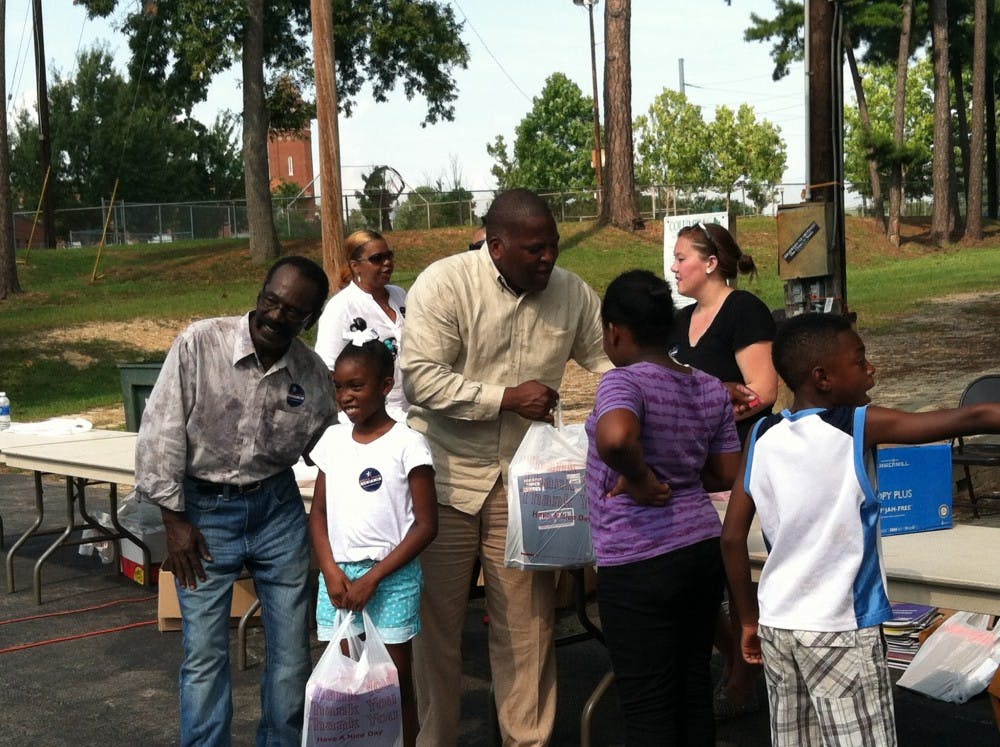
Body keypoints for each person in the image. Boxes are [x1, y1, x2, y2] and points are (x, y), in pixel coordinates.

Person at [720, 312, 1000, 747]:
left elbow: (732, 537)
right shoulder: (856, 425)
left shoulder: (761, 433)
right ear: (823, 377)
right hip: (842, 629)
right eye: (860, 358)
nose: (871, 368)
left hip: (778, 626)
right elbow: (972, 417)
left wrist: (748, 620)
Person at [399, 188, 611, 746]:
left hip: (525, 488)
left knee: (527, 629)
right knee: (438, 631)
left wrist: (679, 384)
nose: (549, 259)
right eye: (535, 249)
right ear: (496, 245)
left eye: (554, 247)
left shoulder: (572, 294)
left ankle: (528, 742)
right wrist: (505, 398)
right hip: (443, 482)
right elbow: (419, 379)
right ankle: (436, 739)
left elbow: (611, 361)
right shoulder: (446, 284)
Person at [135, 256, 336, 746]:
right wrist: (173, 519)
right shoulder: (199, 343)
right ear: (260, 293)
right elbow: (159, 434)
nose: (275, 316)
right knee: (205, 654)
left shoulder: (310, 374)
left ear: (309, 319)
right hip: (202, 513)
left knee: (291, 655)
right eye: (271, 300)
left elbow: (334, 451)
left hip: (277, 509)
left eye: (293, 311)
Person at [587, 270, 741, 745]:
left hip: (639, 557)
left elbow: (615, 437)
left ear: (615, 331)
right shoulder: (709, 386)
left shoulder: (623, 382)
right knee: (692, 686)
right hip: (698, 548)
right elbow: (726, 472)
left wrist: (640, 477)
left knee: (648, 702)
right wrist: (680, 469)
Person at [668, 220, 778, 717]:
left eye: (681, 258)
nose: (673, 267)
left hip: (741, 457)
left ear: (710, 263)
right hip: (695, 463)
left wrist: (706, 413)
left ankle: (741, 673)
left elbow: (764, 390)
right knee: (695, 570)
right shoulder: (679, 318)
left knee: (737, 567)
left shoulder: (744, 310)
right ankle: (737, 654)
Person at [308, 339, 438, 747]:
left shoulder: (408, 444)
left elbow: (426, 525)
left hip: (390, 579)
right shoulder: (332, 441)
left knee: (390, 686)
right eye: (339, 387)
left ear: (386, 385)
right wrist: (331, 572)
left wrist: (374, 578)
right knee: (349, 688)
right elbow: (319, 515)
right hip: (340, 582)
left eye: (356, 386)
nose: (346, 396)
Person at [315, 229, 409, 420]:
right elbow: (326, 371)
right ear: (355, 266)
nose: (387, 263)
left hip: (412, 409)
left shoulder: (400, 296)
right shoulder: (341, 307)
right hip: (373, 417)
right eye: (377, 258)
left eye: (389, 256)